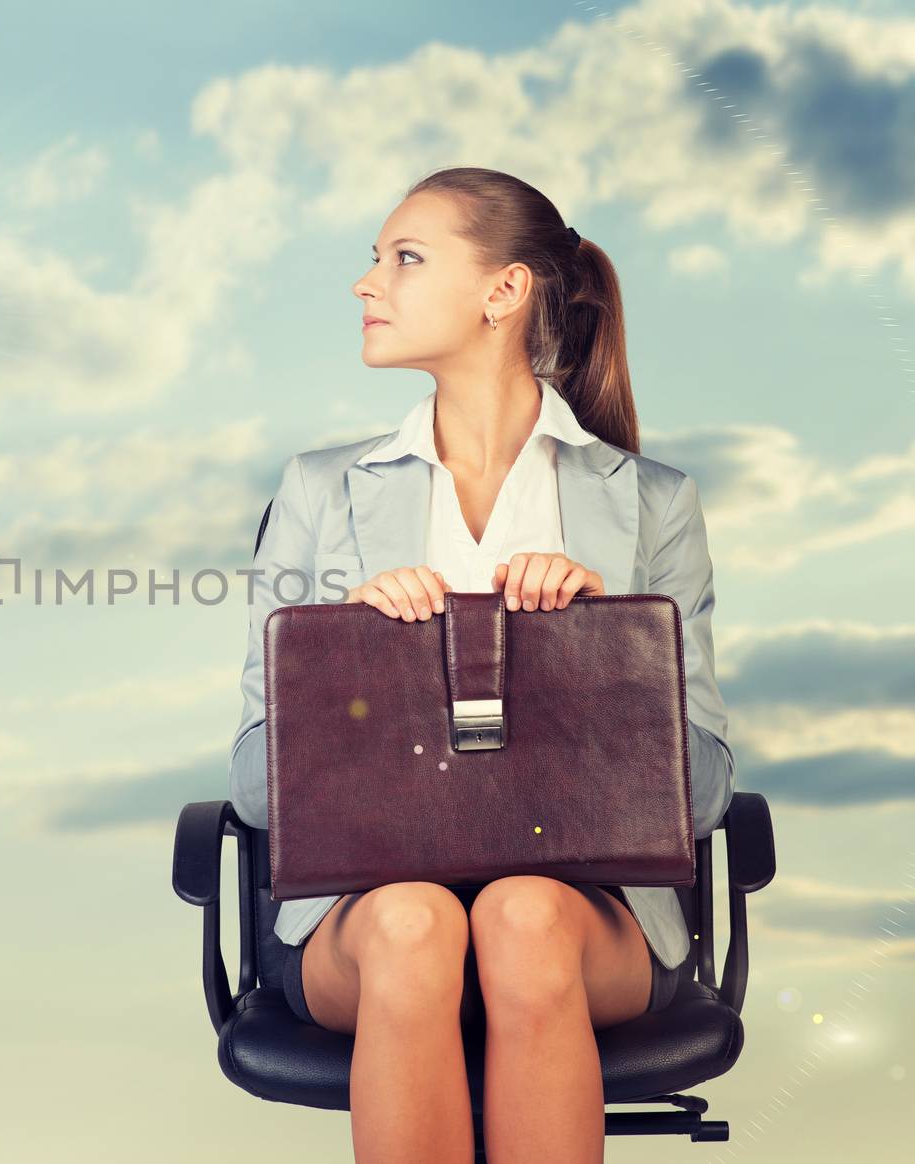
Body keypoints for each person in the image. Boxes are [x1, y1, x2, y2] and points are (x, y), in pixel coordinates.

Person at [225, 166, 734, 1163]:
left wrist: (604, 647)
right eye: (375, 260)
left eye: (404, 258)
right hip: (359, 921)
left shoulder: (649, 503)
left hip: (588, 922)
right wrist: (349, 655)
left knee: (521, 914)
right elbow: (251, 787)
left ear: (502, 293)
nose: (367, 284)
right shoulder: (320, 491)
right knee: (418, 924)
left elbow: (707, 792)